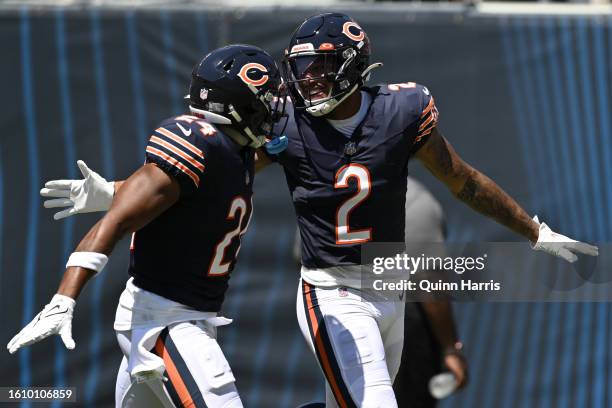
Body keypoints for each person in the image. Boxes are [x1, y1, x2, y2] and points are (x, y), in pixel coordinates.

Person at [36, 13, 598, 408]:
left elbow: (463, 181)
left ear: (356, 65)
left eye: (322, 67)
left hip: (388, 281)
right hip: (330, 289)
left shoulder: (403, 111)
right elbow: (194, 181)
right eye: (301, 68)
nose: (308, 80)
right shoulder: (281, 120)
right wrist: (114, 193)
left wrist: (535, 232)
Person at [6, 44, 284, 408]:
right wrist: (63, 299)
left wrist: (111, 190)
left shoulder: (235, 152)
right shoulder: (197, 141)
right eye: (265, 100)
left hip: (180, 316)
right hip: (166, 323)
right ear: (236, 105)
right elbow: (117, 221)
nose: (273, 109)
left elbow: (196, 190)